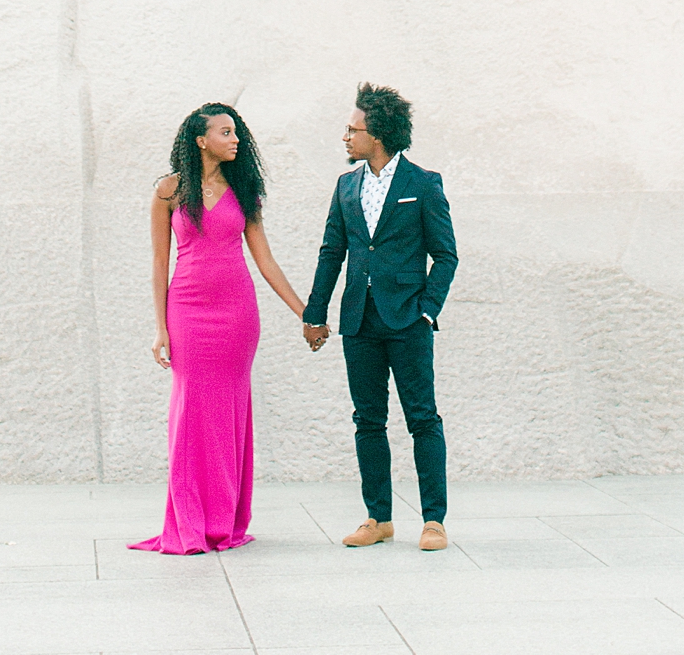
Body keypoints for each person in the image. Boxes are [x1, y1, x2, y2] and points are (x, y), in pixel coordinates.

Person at [130, 102, 320, 554]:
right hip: (188, 309)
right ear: (200, 139)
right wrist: (160, 327)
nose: (236, 139)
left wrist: (305, 314)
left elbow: (265, 260)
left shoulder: (244, 191)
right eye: (225, 132)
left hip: (237, 313)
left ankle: (223, 520)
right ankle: (189, 521)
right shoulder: (169, 191)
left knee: (230, 413)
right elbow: (159, 263)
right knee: (190, 413)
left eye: (236, 133)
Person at [302, 83, 457, 552]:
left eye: (354, 129)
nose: (346, 136)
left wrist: (427, 312)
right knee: (367, 419)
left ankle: (433, 520)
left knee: (422, 418)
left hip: (408, 320)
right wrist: (315, 312)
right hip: (359, 321)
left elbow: (445, 255)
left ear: (381, 133)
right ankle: (378, 517)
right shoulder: (346, 185)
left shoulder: (423, 184)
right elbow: (333, 252)